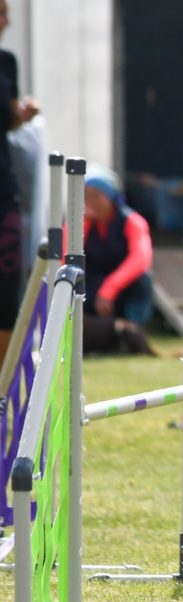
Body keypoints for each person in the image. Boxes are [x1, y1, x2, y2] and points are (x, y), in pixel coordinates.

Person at [79, 166, 156, 356]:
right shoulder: (80, 224)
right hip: (91, 290)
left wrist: (110, 288)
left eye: (97, 195)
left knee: (144, 278)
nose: (91, 202)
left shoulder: (133, 221)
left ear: (112, 196)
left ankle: (134, 331)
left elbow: (141, 259)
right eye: (86, 196)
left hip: (123, 289)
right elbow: (65, 258)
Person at [0, 0, 39, 365]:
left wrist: (21, 115)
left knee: (7, 289)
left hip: (4, 187)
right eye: (0, 13)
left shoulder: (7, 62)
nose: (6, 21)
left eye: (6, 13)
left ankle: (2, 388)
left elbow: (8, 121)